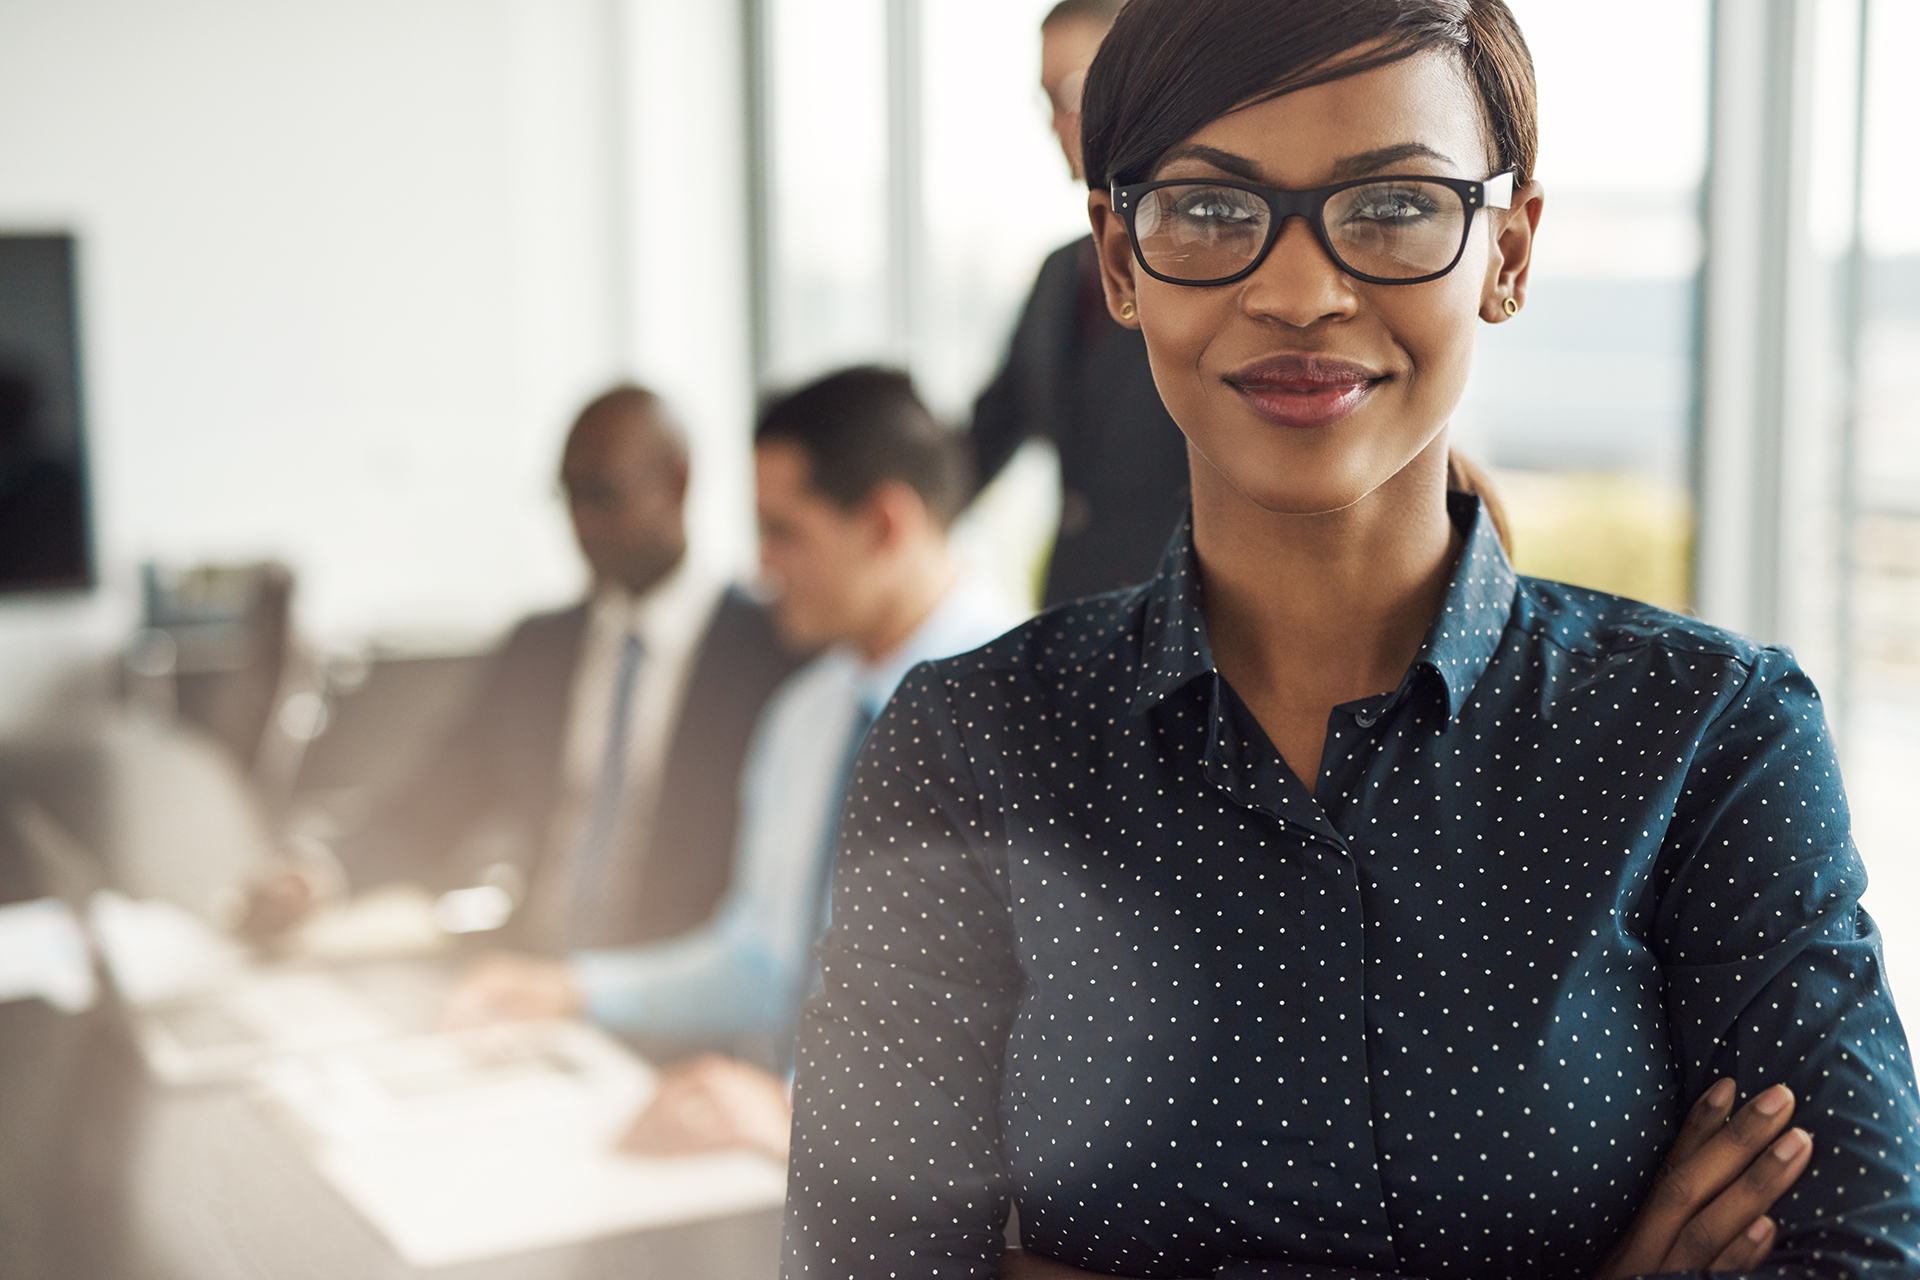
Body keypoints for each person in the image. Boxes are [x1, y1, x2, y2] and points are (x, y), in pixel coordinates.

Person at [783, 3, 1920, 1279]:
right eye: (1210, 211)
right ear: (1118, 259)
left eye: (1391, 205)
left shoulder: (1713, 736)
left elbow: (1852, 1255)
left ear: (1510, 249)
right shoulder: (967, 745)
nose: (1298, 291)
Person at [448, 368, 1017, 1157]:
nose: (762, 569)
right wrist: (574, 990)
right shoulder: (804, 717)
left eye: (784, 533)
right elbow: (759, 958)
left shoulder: (1042, 720)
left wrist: (797, 1115)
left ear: (885, 525)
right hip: (793, 1172)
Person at [249, 386, 802, 956]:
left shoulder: (769, 655)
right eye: (569, 495)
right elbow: (435, 802)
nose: (582, 523)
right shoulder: (540, 650)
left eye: (603, 495)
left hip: (679, 1002)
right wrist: (319, 874)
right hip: (527, 977)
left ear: (676, 483)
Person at [968, 0, 1194, 608]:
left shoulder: (1207, 264)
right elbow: (990, 429)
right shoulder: (1059, 273)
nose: (1055, 122)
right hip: (1076, 610)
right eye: (1046, 100)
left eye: (1070, 90)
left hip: (1186, 617)